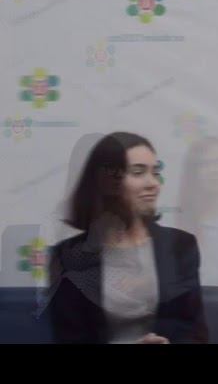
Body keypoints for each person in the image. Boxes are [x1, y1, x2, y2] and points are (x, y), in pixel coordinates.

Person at [47, 132, 208, 343]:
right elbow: (69, 339)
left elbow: (195, 333)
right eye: (138, 172)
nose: (153, 183)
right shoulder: (67, 257)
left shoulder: (180, 246)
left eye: (155, 172)